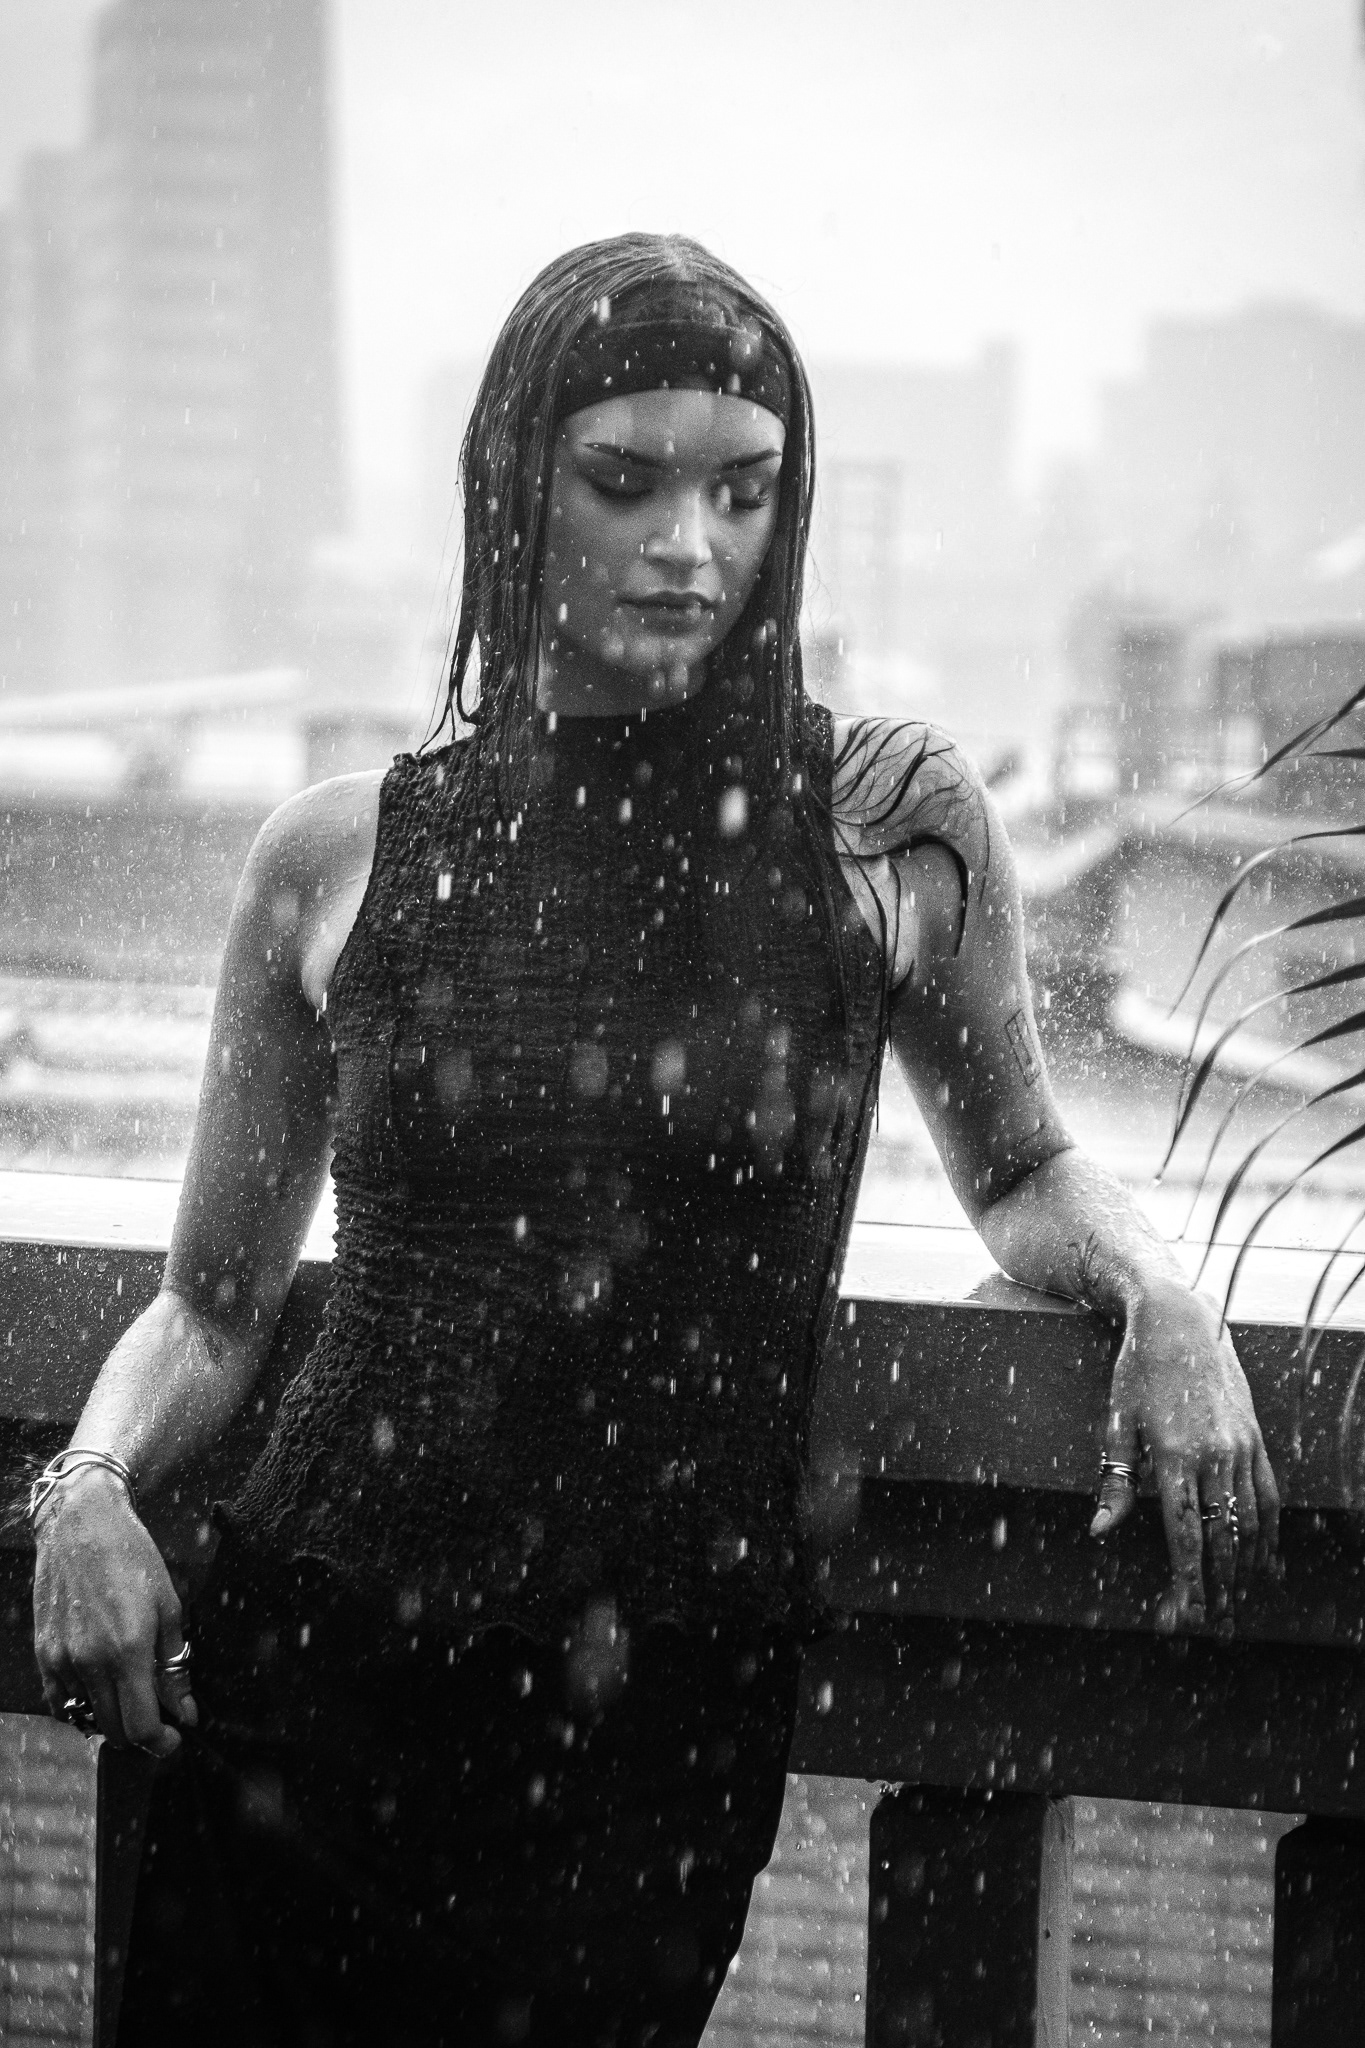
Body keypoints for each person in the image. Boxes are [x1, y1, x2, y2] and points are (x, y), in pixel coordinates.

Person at [30, 234, 1278, 2047]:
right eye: (625, 482)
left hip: (653, 1721)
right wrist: (86, 1487)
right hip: (305, 1672)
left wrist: (1161, 1294)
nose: (691, 544)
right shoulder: (338, 857)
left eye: (742, 491)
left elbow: (1016, 1169)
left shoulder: (880, 824)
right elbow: (213, 1310)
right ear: (512, 489)